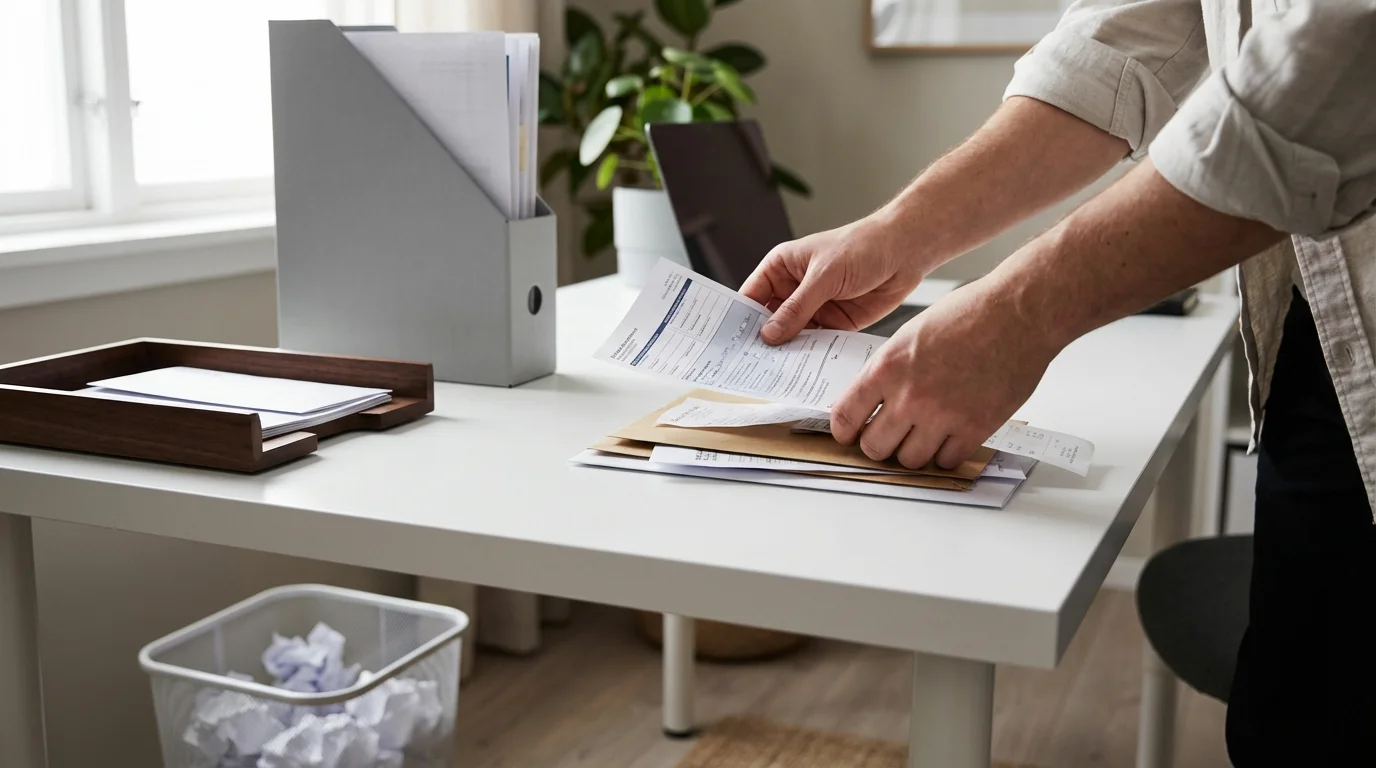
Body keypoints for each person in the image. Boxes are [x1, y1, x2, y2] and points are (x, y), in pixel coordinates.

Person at [741, 1, 1376, 764]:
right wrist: (898, 234)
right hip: (1326, 338)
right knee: (1293, 719)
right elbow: (1122, 40)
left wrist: (1017, 313)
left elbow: (1338, 65)